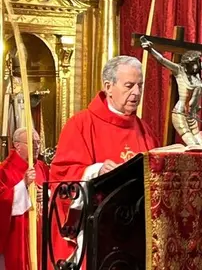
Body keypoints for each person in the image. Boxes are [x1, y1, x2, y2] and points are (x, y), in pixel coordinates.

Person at [49, 56, 159, 263]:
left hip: (137, 233)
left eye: (140, 86)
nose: (136, 93)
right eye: (129, 86)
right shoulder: (81, 125)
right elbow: (60, 177)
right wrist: (95, 171)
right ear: (108, 87)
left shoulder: (145, 130)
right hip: (97, 231)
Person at [0, 128, 48, 270]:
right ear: (17, 145)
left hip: (40, 233)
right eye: (32, 142)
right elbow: (2, 202)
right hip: (17, 237)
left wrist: (46, 195)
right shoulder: (4, 170)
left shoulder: (42, 168)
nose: (37, 146)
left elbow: (56, 195)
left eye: (38, 142)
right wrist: (24, 185)